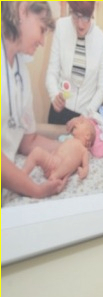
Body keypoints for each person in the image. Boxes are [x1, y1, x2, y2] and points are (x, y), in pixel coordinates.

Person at [1, 1, 64, 204]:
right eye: (42, 29)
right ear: (23, 11)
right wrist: (35, 190)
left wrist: (66, 146)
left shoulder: (22, 72)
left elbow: (28, 141)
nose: (43, 42)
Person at [46, 1, 103, 125]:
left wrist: (85, 115)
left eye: (85, 17)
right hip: (60, 112)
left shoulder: (101, 39)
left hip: (85, 117)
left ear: (92, 13)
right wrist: (54, 96)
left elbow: (102, 88)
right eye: (75, 15)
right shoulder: (61, 27)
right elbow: (52, 72)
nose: (80, 24)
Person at [22, 115, 95, 183]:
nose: (77, 123)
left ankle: (55, 177)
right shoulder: (69, 139)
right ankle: (23, 173)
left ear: (87, 135)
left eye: (81, 123)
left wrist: (83, 172)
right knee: (37, 151)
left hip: (60, 171)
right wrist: (52, 154)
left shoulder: (83, 150)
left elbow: (86, 166)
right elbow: (59, 149)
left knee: (70, 159)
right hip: (52, 161)